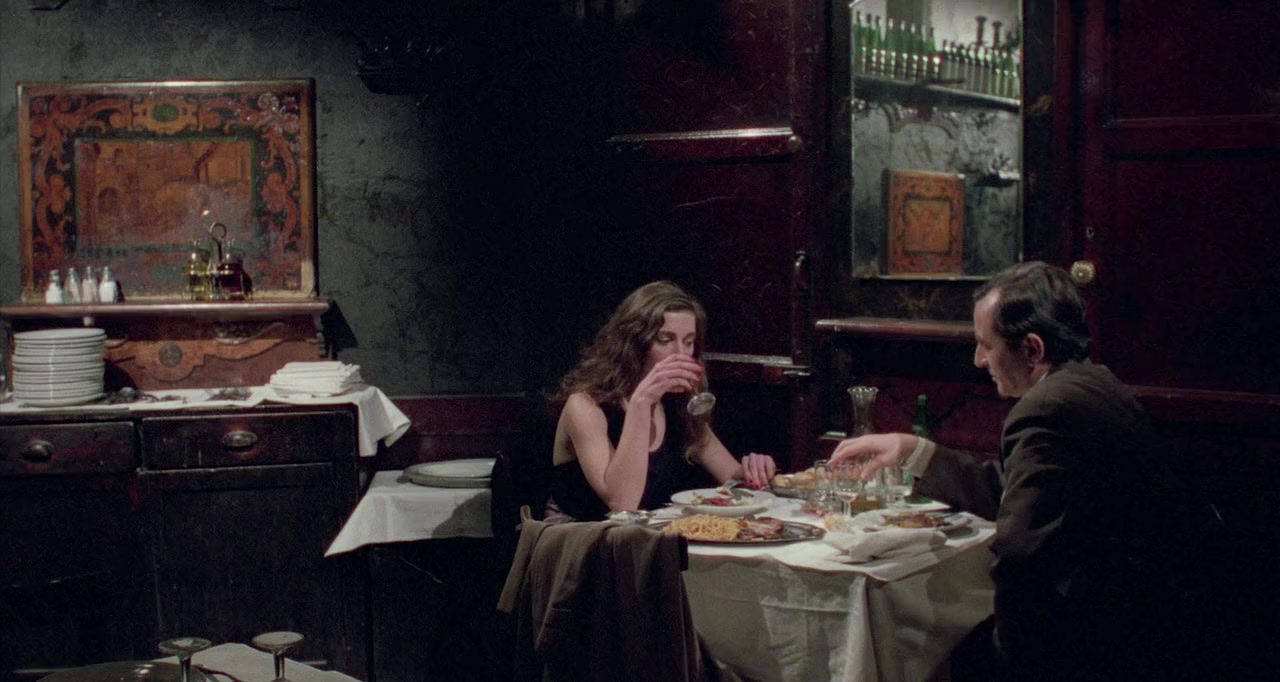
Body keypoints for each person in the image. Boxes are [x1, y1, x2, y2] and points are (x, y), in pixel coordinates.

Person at [830, 261, 1187, 681]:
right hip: (1144, 615)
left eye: (986, 345)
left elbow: (1022, 555)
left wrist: (1005, 663)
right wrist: (915, 451)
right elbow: (1010, 491)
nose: (978, 359)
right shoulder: (1094, 382)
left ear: (1032, 350)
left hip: (1103, 637)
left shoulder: (1045, 409)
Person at [546, 280, 777, 522]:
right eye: (665, 340)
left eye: (688, 342)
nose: (680, 354)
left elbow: (732, 480)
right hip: (581, 534)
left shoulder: (677, 403)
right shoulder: (585, 405)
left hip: (646, 533)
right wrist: (641, 403)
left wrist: (753, 471)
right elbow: (622, 504)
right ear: (633, 344)